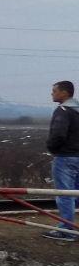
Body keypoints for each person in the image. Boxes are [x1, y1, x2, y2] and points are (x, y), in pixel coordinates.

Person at [44, 80, 79, 241]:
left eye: (55, 91)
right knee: (76, 194)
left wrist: (52, 149)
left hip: (65, 158)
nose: (52, 93)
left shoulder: (63, 110)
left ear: (64, 93)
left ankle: (66, 231)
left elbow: (58, 135)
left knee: (65, 195)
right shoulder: (77, 110)